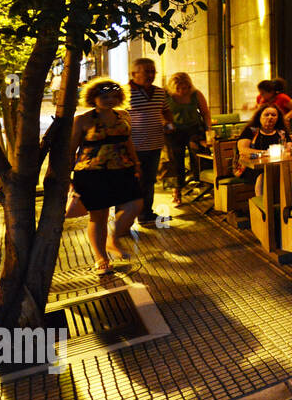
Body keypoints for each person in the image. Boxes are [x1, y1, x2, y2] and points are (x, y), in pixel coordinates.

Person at [67, 78, 145, 275]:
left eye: (113, 96)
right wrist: (67, 179)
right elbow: (71, 150)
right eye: (104, 96)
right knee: (99, 216)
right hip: (92, 173)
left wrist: (136, 164)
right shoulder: (82, 120)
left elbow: (128, 142)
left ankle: (114, 239)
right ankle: (101, 257)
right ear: (93, 98)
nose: (109, 100)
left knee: (135, 205)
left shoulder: (123, 116)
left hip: (123, 169)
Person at [128, 58, 172, 226]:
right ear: (134, 74)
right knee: (131, 181)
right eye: (147, 71)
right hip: (133, 147)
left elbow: (166, 111)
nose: (151, 75)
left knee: (149, 181)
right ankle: (124, 217)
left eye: (153, 71)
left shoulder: (160, 92)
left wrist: (169, 123)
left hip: (155, 144)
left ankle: (146, 214)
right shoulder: (125, 92)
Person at [164, 72, 210, 205]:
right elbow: (160, 112)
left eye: (185, 88)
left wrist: (208, 130)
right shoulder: (166, 96)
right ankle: (176, 191)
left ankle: (200, 182)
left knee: (199, 156)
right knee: (175, 161)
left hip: (194, 129)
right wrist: (165, 123)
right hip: (174, 131)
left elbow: (205, 113)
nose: (182, 91)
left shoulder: (196, 94)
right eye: (178, 88)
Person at [235, 104, 288, 192]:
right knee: (263, 175)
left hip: (275, 166)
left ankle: (283, 202)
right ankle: (263, 203)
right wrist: (266, 153)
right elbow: (243, 149)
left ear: (278, 118)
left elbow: (288, 147)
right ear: (259, 116)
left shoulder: (281, 132)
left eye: (274, 115)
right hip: (250, 167)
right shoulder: (251, 131)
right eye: (266, 115)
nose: (270, 117)